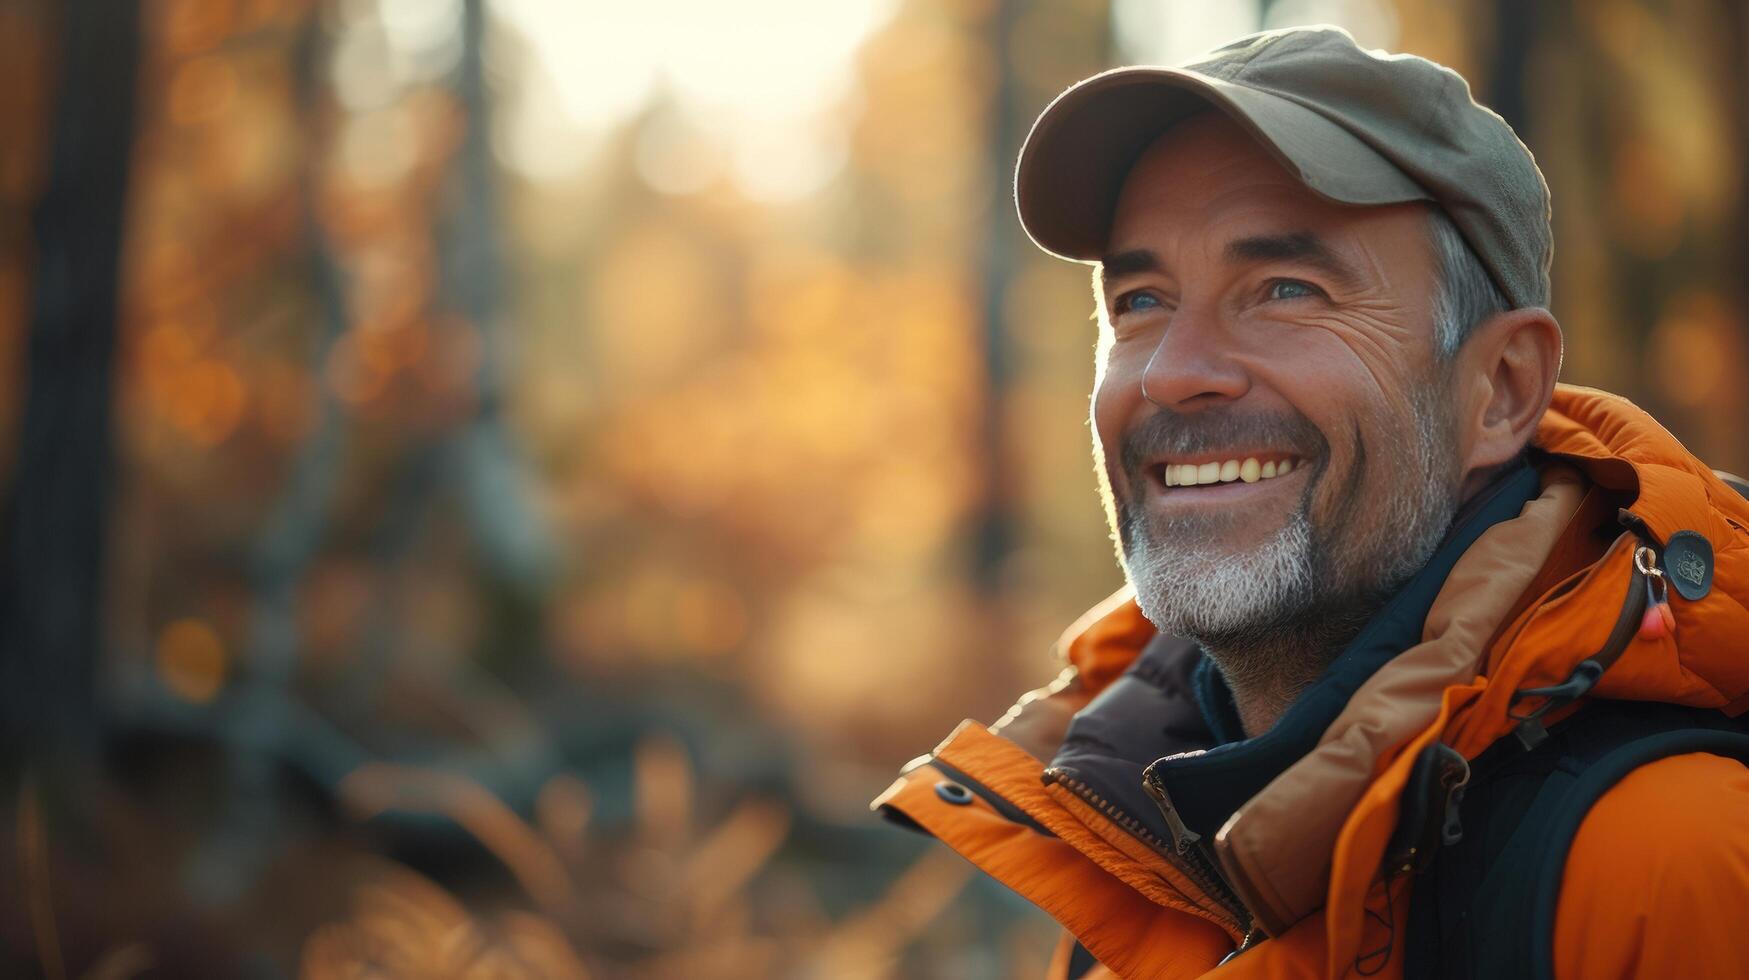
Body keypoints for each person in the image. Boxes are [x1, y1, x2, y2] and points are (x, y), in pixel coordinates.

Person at [871, 25, 1749, 980]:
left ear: (1497, 389)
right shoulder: (1126, 837)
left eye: (1284, 289)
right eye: (1139, 302)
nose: (1173, 374)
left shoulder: (1667, 862)